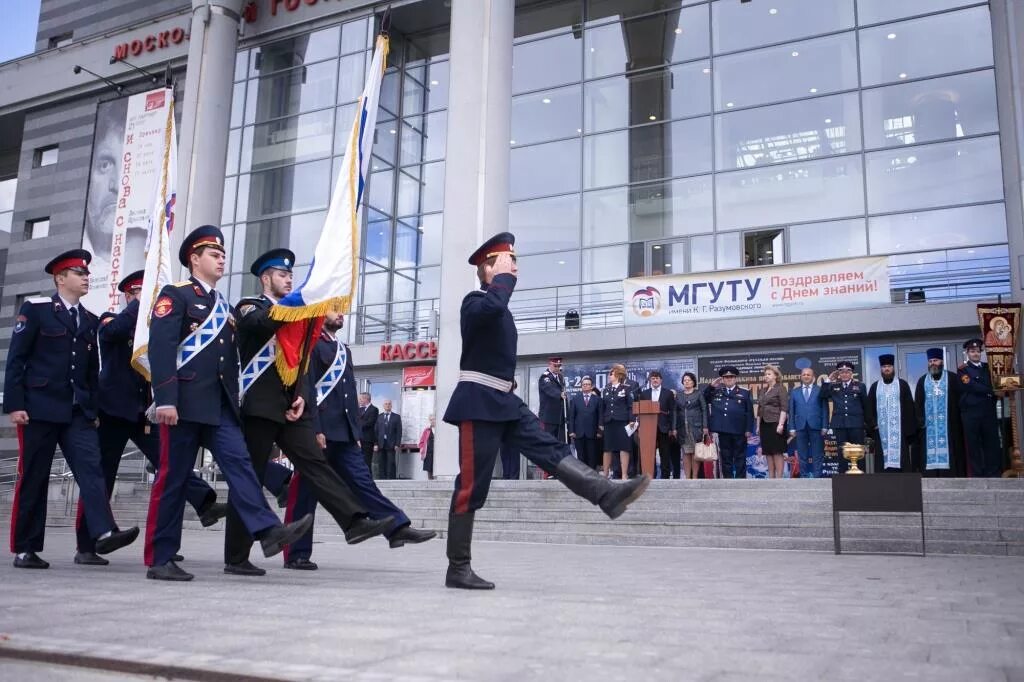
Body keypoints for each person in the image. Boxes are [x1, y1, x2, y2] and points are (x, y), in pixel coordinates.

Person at [442, 232, 649, 589]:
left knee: (550, 448)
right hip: (478, 403)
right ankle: (457, 567)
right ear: (488, 266)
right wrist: (502, 278)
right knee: (472, 485)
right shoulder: (474, 302)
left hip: (505, 402)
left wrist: (503, 280)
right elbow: (493, 306)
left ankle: (606, 494)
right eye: (508, 261)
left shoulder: (497, 304)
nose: (515, 268)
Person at [144, 227, 315, 581]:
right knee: (173, 479)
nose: (221, 259)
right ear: (194, 258)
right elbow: (161, 349)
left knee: (242, 468)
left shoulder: (224, 307)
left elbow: (231, 362)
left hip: (220, 408)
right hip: (182, 405)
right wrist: (165, 399)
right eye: (213, 254)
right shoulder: (175, 296)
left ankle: (268, 531)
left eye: (222, 254)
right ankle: (161, 558)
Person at [225, 247, 393, 576]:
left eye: (291, 275)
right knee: (251, 478)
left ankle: (354, 521)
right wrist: (298, 303)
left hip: (292, 408)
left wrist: (301, 395)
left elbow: (300, 362)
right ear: (265, 279)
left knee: (315, 464)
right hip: (259, 407)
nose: (288, 279)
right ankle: (237, 556)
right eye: (282, 275)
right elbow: (261, 324)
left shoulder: (296, 315)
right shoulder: (249, 306)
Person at [76, 270, 226, 567]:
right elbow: (112, 333)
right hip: (112, 411)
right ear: (129, 297)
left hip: (143, 412)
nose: (144, 300)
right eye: (138, 295)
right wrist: (141, 304)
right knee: (102, 476)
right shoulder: (110, 318)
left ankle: (203, 506)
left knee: (170, 463)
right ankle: (88, 544)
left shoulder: (155, 325)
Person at [4, 249, 139, 569]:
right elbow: (16, 360)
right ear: (60, 278)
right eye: (79, 273)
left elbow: (91, 371)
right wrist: (15, 405)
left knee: (92, 470)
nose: (86, 278)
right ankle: (26, 548)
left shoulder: (90, 320)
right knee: (34, 477)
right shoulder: (36, 310)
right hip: (39, 408)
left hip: (77, 412)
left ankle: (104, 531)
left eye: (87, 273)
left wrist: (92, 411)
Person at [280, 308, 435, 569]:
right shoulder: (312, 344)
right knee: (305, 492)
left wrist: (355, 432)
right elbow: (307, 388)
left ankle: (396, 527)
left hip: (346, 434)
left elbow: (349, 394)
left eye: (342, 310)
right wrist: (314, 428)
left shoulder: (344, 349)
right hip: (320, 432)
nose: (340, 314)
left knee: (364, 484)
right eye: (334, 309)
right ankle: (296, 552)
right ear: (319, 312)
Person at [914, 348, 966, 477]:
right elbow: (918, 403)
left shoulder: (953, 378)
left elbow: (960, 401)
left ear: (942, 362)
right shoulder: (922, 381)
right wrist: (920, 421)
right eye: (930, 361)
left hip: (949, 427)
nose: (933, 363)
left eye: (935, 360)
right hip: (929, 427)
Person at [957, 339, 1003, 477]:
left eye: (977, 351)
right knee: (974, 445)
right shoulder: (962, 370)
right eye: (972, 351)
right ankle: (977, 474)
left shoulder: (988, 368)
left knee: (992, 442)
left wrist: (996, 393)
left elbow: (997, 384)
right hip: (971, 413)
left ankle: (993, 472)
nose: (975, 354)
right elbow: (970, 385)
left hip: (988, 411)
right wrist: (991, 391)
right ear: (967, 353)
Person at [865, 354, 918, 473]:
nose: (886, 369)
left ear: (893, 368)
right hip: (881, 432)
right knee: (882, 464)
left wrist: (907, 429)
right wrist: (873, 425)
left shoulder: (902, 385)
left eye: (889, 366)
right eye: (884, 366)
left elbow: (909, 408)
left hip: (899, 432)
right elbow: (869, 409)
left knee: (902, 463)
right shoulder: (875, 387)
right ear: (881, 369)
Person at [705, 367, 754, 479]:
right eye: (726, 377)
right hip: (723, 430)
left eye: (731, 377)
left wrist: (748, 429)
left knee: (740, 457)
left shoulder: (744, 392)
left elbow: (749, 413)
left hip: (739, 430)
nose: (729, 379)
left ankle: (741, 480)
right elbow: (704, 398)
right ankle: (728, 480)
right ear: (722, 379)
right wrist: (711, 386)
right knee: (726, 457)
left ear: (735, 378)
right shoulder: (716, 391)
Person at [821, 361, 867, 474]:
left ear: (851, 373)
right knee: (842, 452)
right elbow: (822, 395)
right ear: (839, 374)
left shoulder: (860, 386)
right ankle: (842, 477)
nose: (845, 374)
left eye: (847, 372)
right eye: (842, 372)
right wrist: (828, 380)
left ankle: (861, 477)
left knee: (858, 452)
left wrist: (867, 424)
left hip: (856, 424)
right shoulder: (834, 386)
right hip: (840, 424)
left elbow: (866, 405)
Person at [787, 368, 826, 478]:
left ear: (813, 377)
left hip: (816, 426)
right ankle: (803, 476)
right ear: (801, 376)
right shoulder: (795, 392)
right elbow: (792, 410)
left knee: (817, 454)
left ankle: (818, 476)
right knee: (802, 454)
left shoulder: (819, 390)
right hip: (800, 426)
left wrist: (824, 426)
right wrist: (792, 428)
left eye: (808, 374)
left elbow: (825, 409)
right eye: (804, 374)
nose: (806, 376)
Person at [640, 370, 678, 479]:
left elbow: (673, 411)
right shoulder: (644, 393)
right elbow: (641, 411)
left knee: (664, 454)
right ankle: (650, 476)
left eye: (657, 378)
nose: (655, 380)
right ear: (650, 380)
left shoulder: (668, 393)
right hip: (648, 429)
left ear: (661, 380)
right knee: (649, 454)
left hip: (664, 427)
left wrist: (673, 427)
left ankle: (665, 477)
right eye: (653, 378)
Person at [601, 365, 636, 480]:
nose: (609, 375)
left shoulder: (626, 388)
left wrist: (631, 419)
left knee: (624, 447)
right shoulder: (605, 389)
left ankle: (624, 474)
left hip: (622, 421)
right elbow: (603, 407)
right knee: (607, 448)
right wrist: (601, 422)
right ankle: (605, 474)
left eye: (611, 373)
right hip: (609, 421)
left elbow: (631, 406)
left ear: (618, 375)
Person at [756, 365, 789, 479]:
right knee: (768, 451)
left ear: (775, 376)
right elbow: (759, 409)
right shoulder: (763, 390)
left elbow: (784, 408)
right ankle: (771, 477)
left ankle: (779, 478)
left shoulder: (780, 388)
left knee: (777, 451)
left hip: (776, 423)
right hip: (764, 424)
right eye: (765, 374)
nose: (766, 376)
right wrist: (758, 426)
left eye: (769, 374)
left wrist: (781, 424)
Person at [673, 372, 707, 480]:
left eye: (689, 380)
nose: (687, 382)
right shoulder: (679, 395)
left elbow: (704, 410)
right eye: (685, 380)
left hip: (696, 428)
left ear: (693, 382)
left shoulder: (698, 394)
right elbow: (674, 411)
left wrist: (705, 426)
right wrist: (674, 428)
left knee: (695, 453)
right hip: (682, 428)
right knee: (686, 453)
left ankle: (695, 477)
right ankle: (687, 478)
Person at [568, 376, 601, 469]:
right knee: (581, 457)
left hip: (592, 432)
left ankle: (592, 476)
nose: (586, 386)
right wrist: (571, 431)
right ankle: (582, 477)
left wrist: (600, 431)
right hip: (578, 432)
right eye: (584, 384)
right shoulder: (575, 399)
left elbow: (600, 416)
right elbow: (572, 416)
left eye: (588, 384)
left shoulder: (597, 399)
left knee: (592, 456)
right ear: (581, 386)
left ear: (592, 386)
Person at [374, 399, 403, 480]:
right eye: (386, 404)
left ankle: (391, 479)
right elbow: (376, 431)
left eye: (389, 404)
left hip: (391, 444)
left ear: (391, 405)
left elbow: (399, 432)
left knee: (391, 463)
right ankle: (382, 479)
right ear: (383, 406)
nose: (387, 405)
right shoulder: (379, 417)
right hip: (380, 444)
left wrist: (397, 444)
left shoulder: (396, 417)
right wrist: (375, 444)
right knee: (381, 462)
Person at [358, 392, 379, 475]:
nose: (359, 401)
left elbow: (370, 423)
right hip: (359, 440)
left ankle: (368, 480)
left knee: (367, 461)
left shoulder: (374, 409)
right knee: (359, 461)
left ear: (366, 399)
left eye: (360, 399)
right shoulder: (359, 409)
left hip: (367, 439)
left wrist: (358, 426)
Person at [419, 415, 436, 479]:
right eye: (431, 420)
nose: (432, 421)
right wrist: (422, 449)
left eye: (434, 419)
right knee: (429, 469)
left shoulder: (440, 430)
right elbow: (422, 441)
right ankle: (430, 484)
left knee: (437, 468)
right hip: (428, 452)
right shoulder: (427, 430)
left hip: (437, 453)